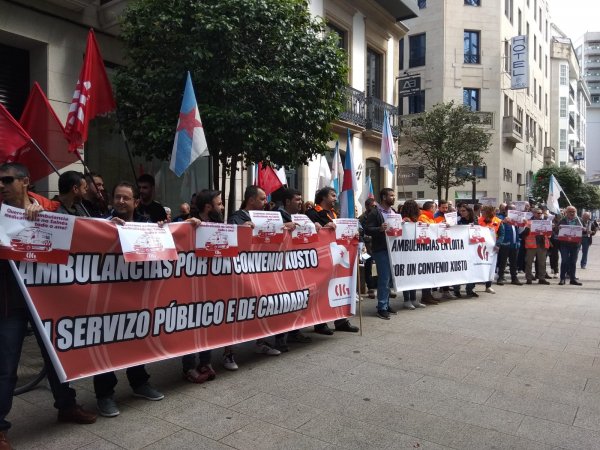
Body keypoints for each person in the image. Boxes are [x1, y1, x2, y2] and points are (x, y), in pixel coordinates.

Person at [0, 163, 97, 450]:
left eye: (7, 180)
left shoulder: (48, 208)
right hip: (11, 303)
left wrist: (43, 217)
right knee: (6, 366)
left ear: (25, 181)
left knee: (56, 357)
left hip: (46, 301)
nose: (2, 185)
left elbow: (77, 228)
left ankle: (66, 406)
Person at [94, 182, 165, 418]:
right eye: (117, 197)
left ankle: (139, 382)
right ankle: (104, 394)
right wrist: (106, 229)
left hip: (136, 294)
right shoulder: (101, 223)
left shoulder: (146, 224)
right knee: (106, 343)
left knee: (137, 339)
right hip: (109, 296)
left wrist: (163, 230)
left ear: (136, 202)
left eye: (126, 198)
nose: (121, 202)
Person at [228, 186, 282, 355]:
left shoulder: (266, 217)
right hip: (242, 273)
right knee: (237, 311)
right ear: (251, 200)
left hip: (261, 270)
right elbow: (230, 238)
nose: (266, 202)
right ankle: (228, 353)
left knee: (262, 307)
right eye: (262, 199)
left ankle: (261, 342)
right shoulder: (236, 218)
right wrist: (241, 228)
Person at [306, 187, 359, 334]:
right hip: (322, 259)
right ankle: (320, 324)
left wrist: (353, 235)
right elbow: (309, 232)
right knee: (322, 290)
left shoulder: (335, 214)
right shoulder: (312, 213)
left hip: (338, 258)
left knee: (340, 288)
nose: (335, 199)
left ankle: (341, 320)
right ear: (323, 197)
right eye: (333, 196)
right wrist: (323, 228)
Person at [273, 188, 313, 348]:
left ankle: (294, 332)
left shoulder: (301, 217)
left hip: (296, 264)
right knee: (282, 302)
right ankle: (280, 338)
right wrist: (282, 226)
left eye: (301, 199)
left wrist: (315, 226)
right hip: (280, 265)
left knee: (296, 299)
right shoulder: (276, 215)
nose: (300, 202)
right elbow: (267, 231)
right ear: (287, 201)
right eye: (297, 199)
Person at [365, 188, 398, 319]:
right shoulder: (375, 212)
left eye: (394, 195)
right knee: (384, 278)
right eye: (391, 195)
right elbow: (367, 229)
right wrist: (379, 229)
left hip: (392, 249)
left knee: (389, 279)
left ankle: (386, 304)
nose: (393, 198)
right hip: (381, 249)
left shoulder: (393, 212)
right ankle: (381, 307)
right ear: (384, 197)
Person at [400, 200, 427, 309]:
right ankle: (407, 300)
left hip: (414, 252)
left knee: (414, 276)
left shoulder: (416, 220)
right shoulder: (404, 220)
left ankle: (413, 299)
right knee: (407, 276)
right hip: (407, 252)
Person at [453, 204, 479, 297]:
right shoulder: (458, 220)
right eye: (460, 211)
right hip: (460, 249)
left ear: (469, 211)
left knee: (472, 269)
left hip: (472, 248)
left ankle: (470, 289)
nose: (461, 212)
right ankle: (456, 290)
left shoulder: (476, 220)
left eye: (463, 211)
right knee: (458, 270)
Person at [417, 201, 440, 304]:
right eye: (435, 207)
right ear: (431, 208)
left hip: (430, 248)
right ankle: (425, 296)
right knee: (426, 273)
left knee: (430, 273)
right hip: (425, 249)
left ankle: (428, 295)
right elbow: (431, 229)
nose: (436, 209)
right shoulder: (423, 217)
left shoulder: (430, 217)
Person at [521, 208, 551, 285]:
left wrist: (550, 231)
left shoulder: (545, 222)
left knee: (542, 263)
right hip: (531, 245)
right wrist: (528, 228)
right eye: (538, 213)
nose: (540, 214)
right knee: (529, 262)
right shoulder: (528, 222)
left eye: (541, 213)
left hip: (542, 245)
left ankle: (542, 278)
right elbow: (523, 233)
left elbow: (549, 233)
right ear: (533, 213)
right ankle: (529, 278)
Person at [496, 204, 523, 286]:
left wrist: (523, 225)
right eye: (512, 209)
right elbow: (496, 226)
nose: (514, 211)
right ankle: (500, 277)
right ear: (507, 210)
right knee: (503, 262)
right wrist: (503, 221)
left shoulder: (515, 219)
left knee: (514, 262)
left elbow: (519, 231)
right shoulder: (500, 217)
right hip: (505, 243)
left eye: (515, 209)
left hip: (514, 243)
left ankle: (514, 278)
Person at [478, 205, 503, 294]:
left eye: (483, 211)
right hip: (480, 247)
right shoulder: (478, 220)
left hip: (492, 248)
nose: (482, 213)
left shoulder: (498, 221)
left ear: (489, 212)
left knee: (491, 266)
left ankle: (488, 286)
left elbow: (501, 234)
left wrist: (498, 244)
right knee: (478, 265)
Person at [557, 206, 583, 286]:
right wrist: (558, 228)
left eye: (573, 211)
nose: (572, 213)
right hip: (564, 244)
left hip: (575, 245)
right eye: (570, 211)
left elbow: (585, 230)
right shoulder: (562, 220)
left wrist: (585, 230)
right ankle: (562, 279)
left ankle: (572, 279)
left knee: (573, 262)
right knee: (564, 261)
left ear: (576, 212)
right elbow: (556, 230)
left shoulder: (579, 220)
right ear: (566, 212)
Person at [358, 198, 377, 299]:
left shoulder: (377, 216)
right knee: (367, 267)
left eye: (375, 206)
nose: (374, 208)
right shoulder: (362, 218)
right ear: (366, 206)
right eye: (372, 206)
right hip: (365, 247)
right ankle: (370, 288)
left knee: (378, 267)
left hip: (376, 246)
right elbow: (360, 232)